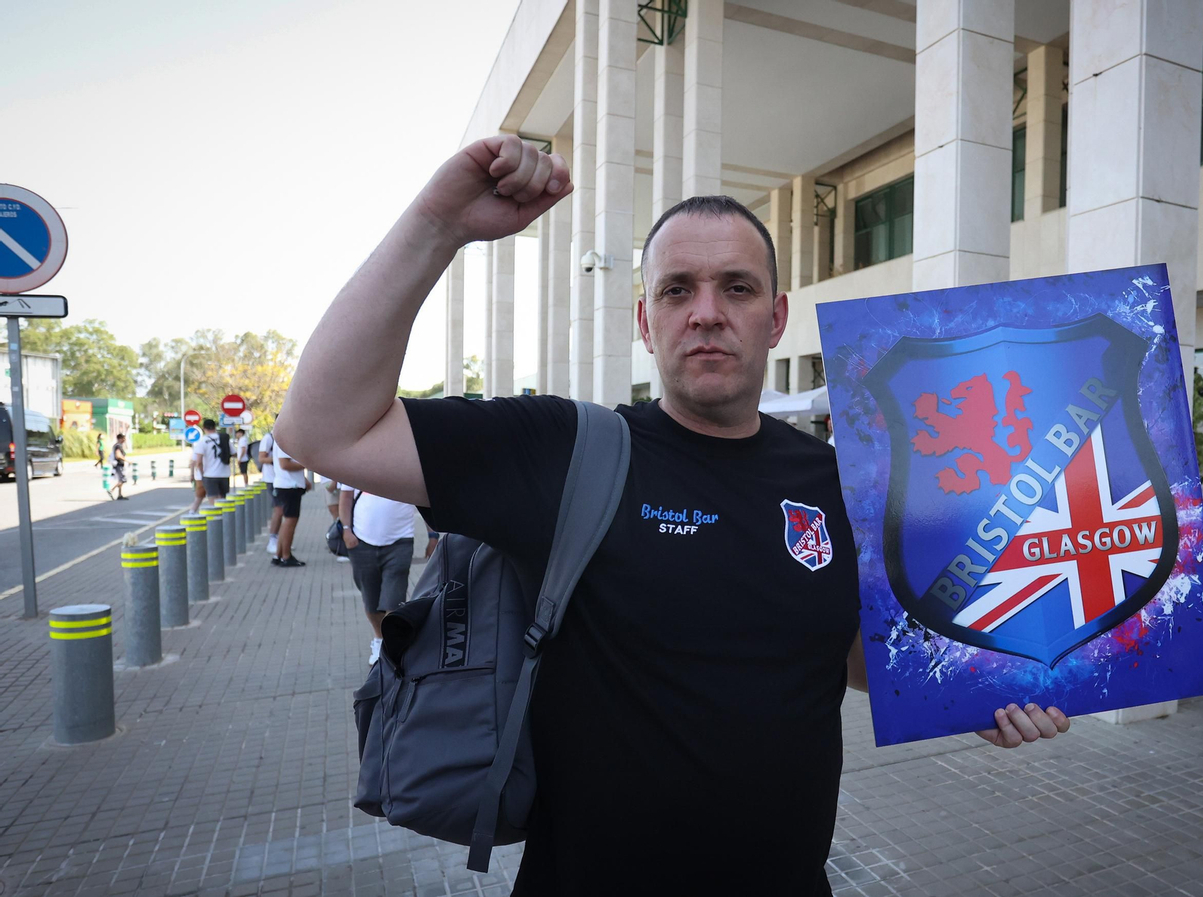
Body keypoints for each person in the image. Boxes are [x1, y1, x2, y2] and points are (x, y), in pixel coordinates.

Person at [274, 136, 1067, 895]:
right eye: (677, 290)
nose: (708, 311)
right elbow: (320, 428)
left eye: (738, 287)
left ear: (777, 317)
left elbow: (843, 653)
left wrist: (976, 687)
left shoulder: (838, 477)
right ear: (644, 321)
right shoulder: (564, 451)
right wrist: (438, 225)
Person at [340, 483, 417, 664]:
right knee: (371, 601)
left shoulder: (404, 464)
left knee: (393, 599)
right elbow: (346, 497)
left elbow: (424, 501)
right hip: (361, 542)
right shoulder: (354, 463)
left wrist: (432, 536)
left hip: (400, 541)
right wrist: (346, 531)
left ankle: (392, 646)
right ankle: (379, 638)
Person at [270, 439, 307, 567]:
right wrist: (306, 464)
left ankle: (279, 555)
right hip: (289, 486)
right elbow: (285, 464)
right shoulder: (284, 440)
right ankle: (286, 556)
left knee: (287, 522)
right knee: (290, 522)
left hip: (288, 485)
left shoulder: (282, 439)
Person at [196, 419, 232, 506]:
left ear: (204, 428)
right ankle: (224, 518)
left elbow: (199, 462)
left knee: (213, 501)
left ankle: (217, 518)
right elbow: (234, 453)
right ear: (215, 427)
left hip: (210, 475)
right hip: (224, 474)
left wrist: (202, 474)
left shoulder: (203, 441)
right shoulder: (224, 439)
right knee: (223, 500)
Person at [259, 430, 281, 555]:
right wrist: (278, 459)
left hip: (282, 479)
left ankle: (280, 539)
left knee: (282, 510)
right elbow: (261, 458)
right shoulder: (268, 438)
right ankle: (272, 540)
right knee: (278, 509)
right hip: (272, 479)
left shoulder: (285, 437)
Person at [107, 432, 128, 500]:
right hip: (118, 464)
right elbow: (118, 455)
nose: (124, 440)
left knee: (120, 479)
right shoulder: (118, 446)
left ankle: (119, 495)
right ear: (120, 438)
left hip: (118, 464)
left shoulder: (117, 445)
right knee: (122, 479)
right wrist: (127, 460)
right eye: (123, 438)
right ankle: (111, 490)